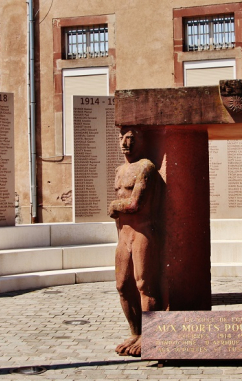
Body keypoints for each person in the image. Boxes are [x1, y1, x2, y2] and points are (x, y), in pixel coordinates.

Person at [108, 127, 160, 357]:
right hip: (123, 235)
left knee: (143, 285)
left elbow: (136, 204)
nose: (125, 143)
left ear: (141, 140)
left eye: (131, 138)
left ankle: (150, 335)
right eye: (122, 138)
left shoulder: (146, 167)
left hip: (141, 233)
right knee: (122, 286)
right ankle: (135, 332)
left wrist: (114, 206)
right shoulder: (120, 170)